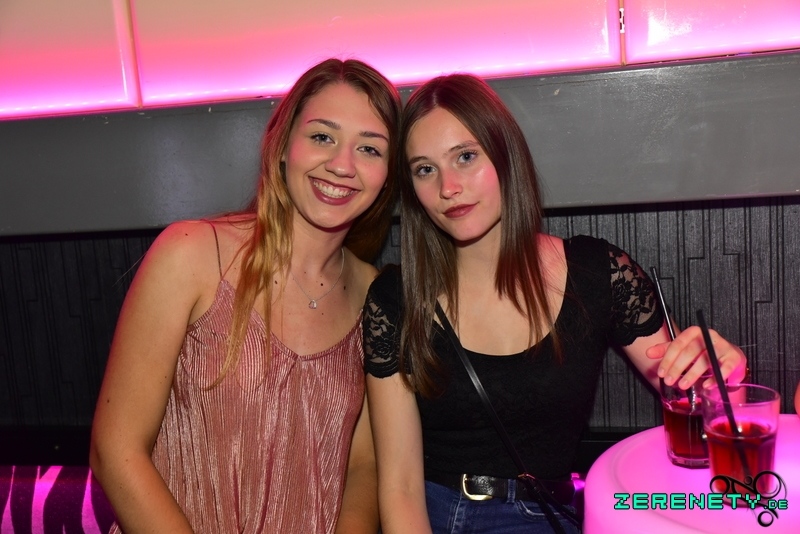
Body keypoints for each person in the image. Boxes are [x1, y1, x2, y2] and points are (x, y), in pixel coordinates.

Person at [362, 74, 748, 533]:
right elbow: (400, 488)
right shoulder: (395, 299)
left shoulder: (597, 273)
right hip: (440, 517)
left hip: (549, 515)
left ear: (505, 155)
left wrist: (726, 375)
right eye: (425, 169)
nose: (448, 187)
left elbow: (702, 410)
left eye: (465, 157)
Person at [90, 58, 401, 533]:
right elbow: (116, 449)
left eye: (369, 148)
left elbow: (364, 465)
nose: (342, 164)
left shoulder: (376, 298)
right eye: (322, 137)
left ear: (387, 175)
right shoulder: (191, 254)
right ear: (282, 146)